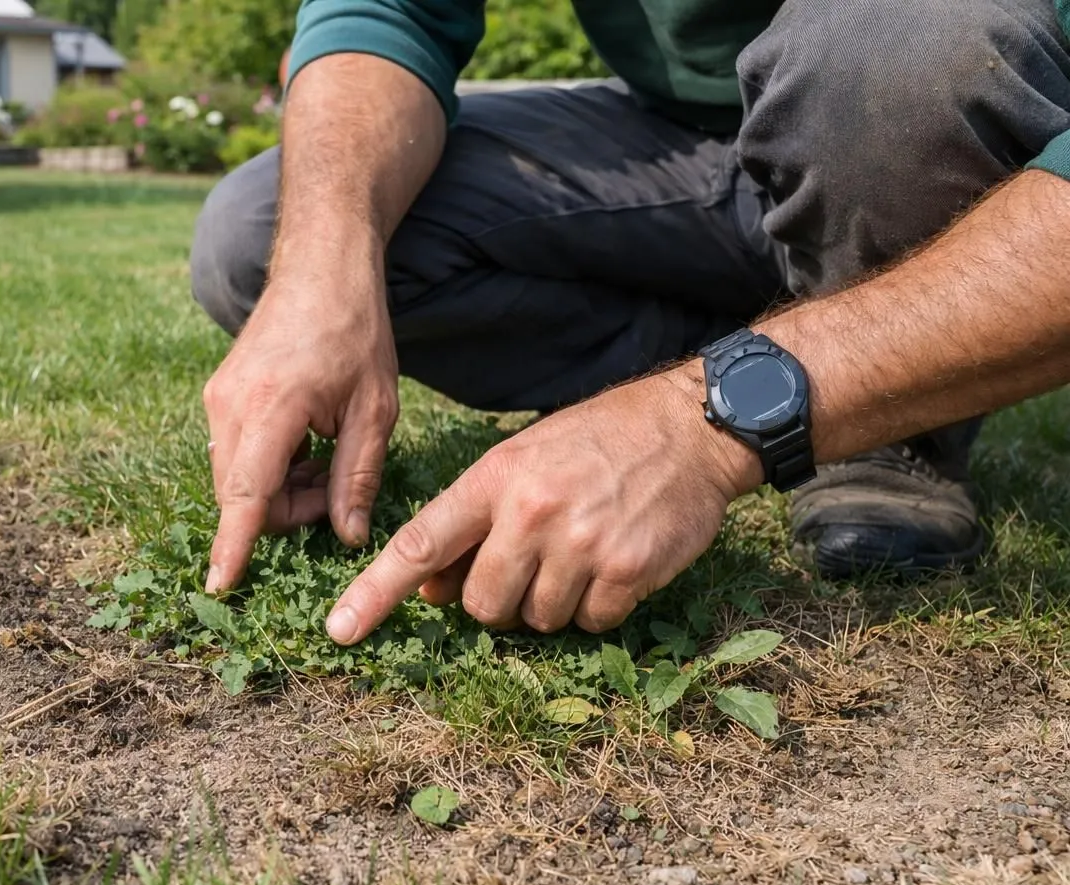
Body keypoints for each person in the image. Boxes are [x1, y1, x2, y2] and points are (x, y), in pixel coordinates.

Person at [189, 0, 1070, 646]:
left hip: (916, 107)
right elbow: (390, 13)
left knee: (893, 42)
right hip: (675, 139)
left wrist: (701, 425)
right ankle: (787, 325)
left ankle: (883, 430)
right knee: (263, 234)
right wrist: (324, 266)